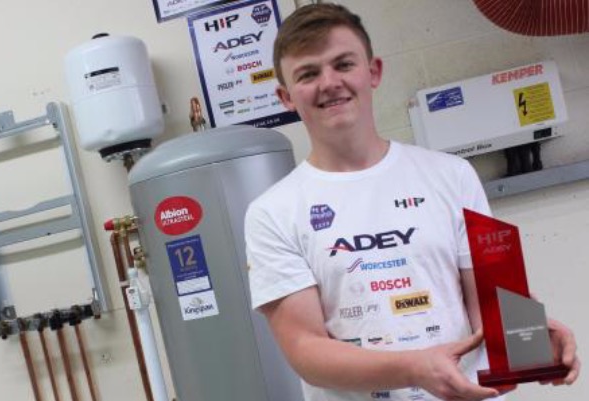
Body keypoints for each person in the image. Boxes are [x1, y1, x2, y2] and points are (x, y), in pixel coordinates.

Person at [244, 4, 580, 401]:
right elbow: (305, 350)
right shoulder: (272, 212)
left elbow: (489, 305)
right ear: (286, 96)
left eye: (343, 64)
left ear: (373, 72)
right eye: (308, 74)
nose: (329, 82)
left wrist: (531, 340)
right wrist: (413, 368)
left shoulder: (452, 175)